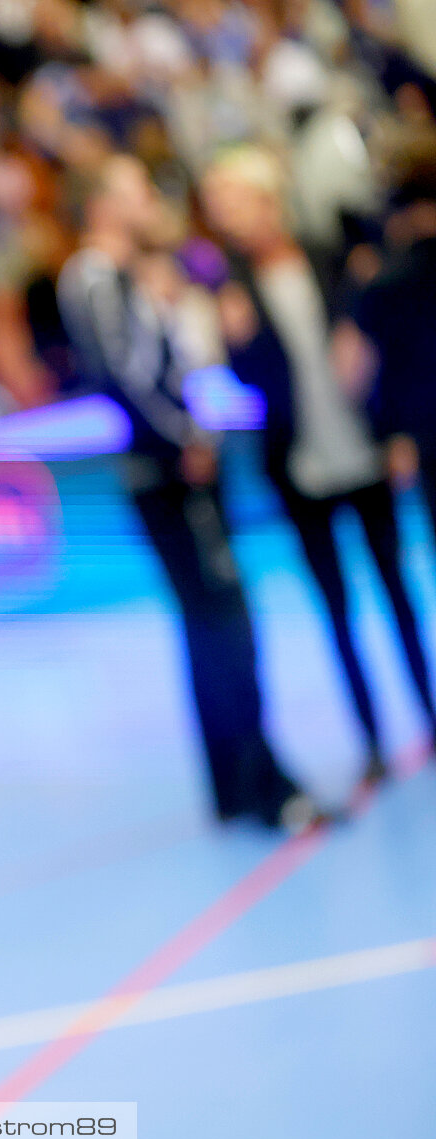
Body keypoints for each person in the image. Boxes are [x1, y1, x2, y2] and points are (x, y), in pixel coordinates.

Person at [58, 154, 316, 830]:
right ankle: (265, 783)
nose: (150, 198)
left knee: (212, 624)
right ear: (106, 204)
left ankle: (236, 780)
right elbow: (127, 377)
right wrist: (187, 439)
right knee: (223, 621)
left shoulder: (134, 275)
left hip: (171, 468)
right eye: (136, 189)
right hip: (171, 475)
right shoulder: (95, 276)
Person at [203, 146, 435, 785]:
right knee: (336, 609)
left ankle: (429, 714)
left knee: (399, 593)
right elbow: (246, 388)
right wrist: (236, 340)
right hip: (301, 465)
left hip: (362, 447)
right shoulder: (230, 289)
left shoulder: (332, 260)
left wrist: (393, 432)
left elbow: (380, 344)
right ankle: (372, 740)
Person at [358, 136, 436, 559]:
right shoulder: (389, 280)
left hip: (424, 434)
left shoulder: (387, 280)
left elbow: (358, 370)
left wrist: (393, 435)